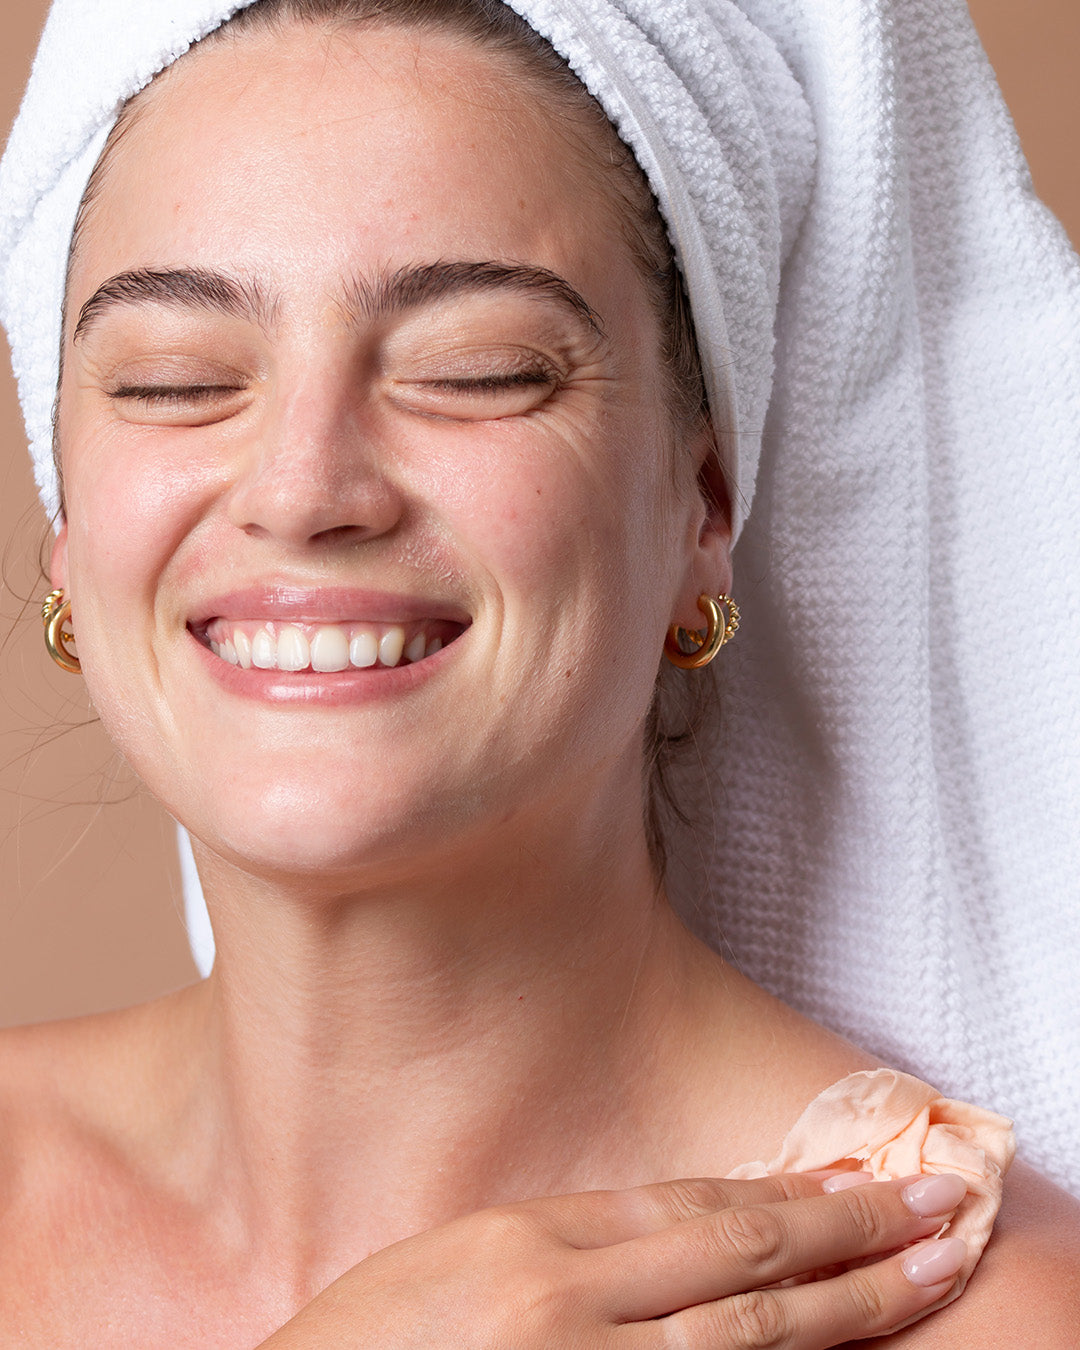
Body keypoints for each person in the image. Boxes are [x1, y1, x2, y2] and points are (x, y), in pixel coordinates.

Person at [1, 0, 1078, 1344]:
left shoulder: (981, 1314)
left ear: (703, 505)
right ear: (67, 522)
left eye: (479, 370)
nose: (304, 488)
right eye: (174, 379)